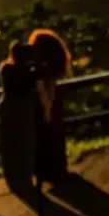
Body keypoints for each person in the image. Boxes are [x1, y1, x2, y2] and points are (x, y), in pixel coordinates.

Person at [28, 29, 71, 184]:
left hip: (43, 107)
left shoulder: (40, 72)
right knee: (55, 133)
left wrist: (46, 110)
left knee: (44, 135)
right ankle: (57, 167)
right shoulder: (54, 69)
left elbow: (46, 95)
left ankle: (46, 170)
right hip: (53, 106)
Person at [0, 42, 37, 196]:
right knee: (25, 143)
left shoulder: (5, 69)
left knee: (8, 143)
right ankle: (25, 178)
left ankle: (12, 178)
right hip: (23, 107)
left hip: (7, 106)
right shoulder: (28, 71)